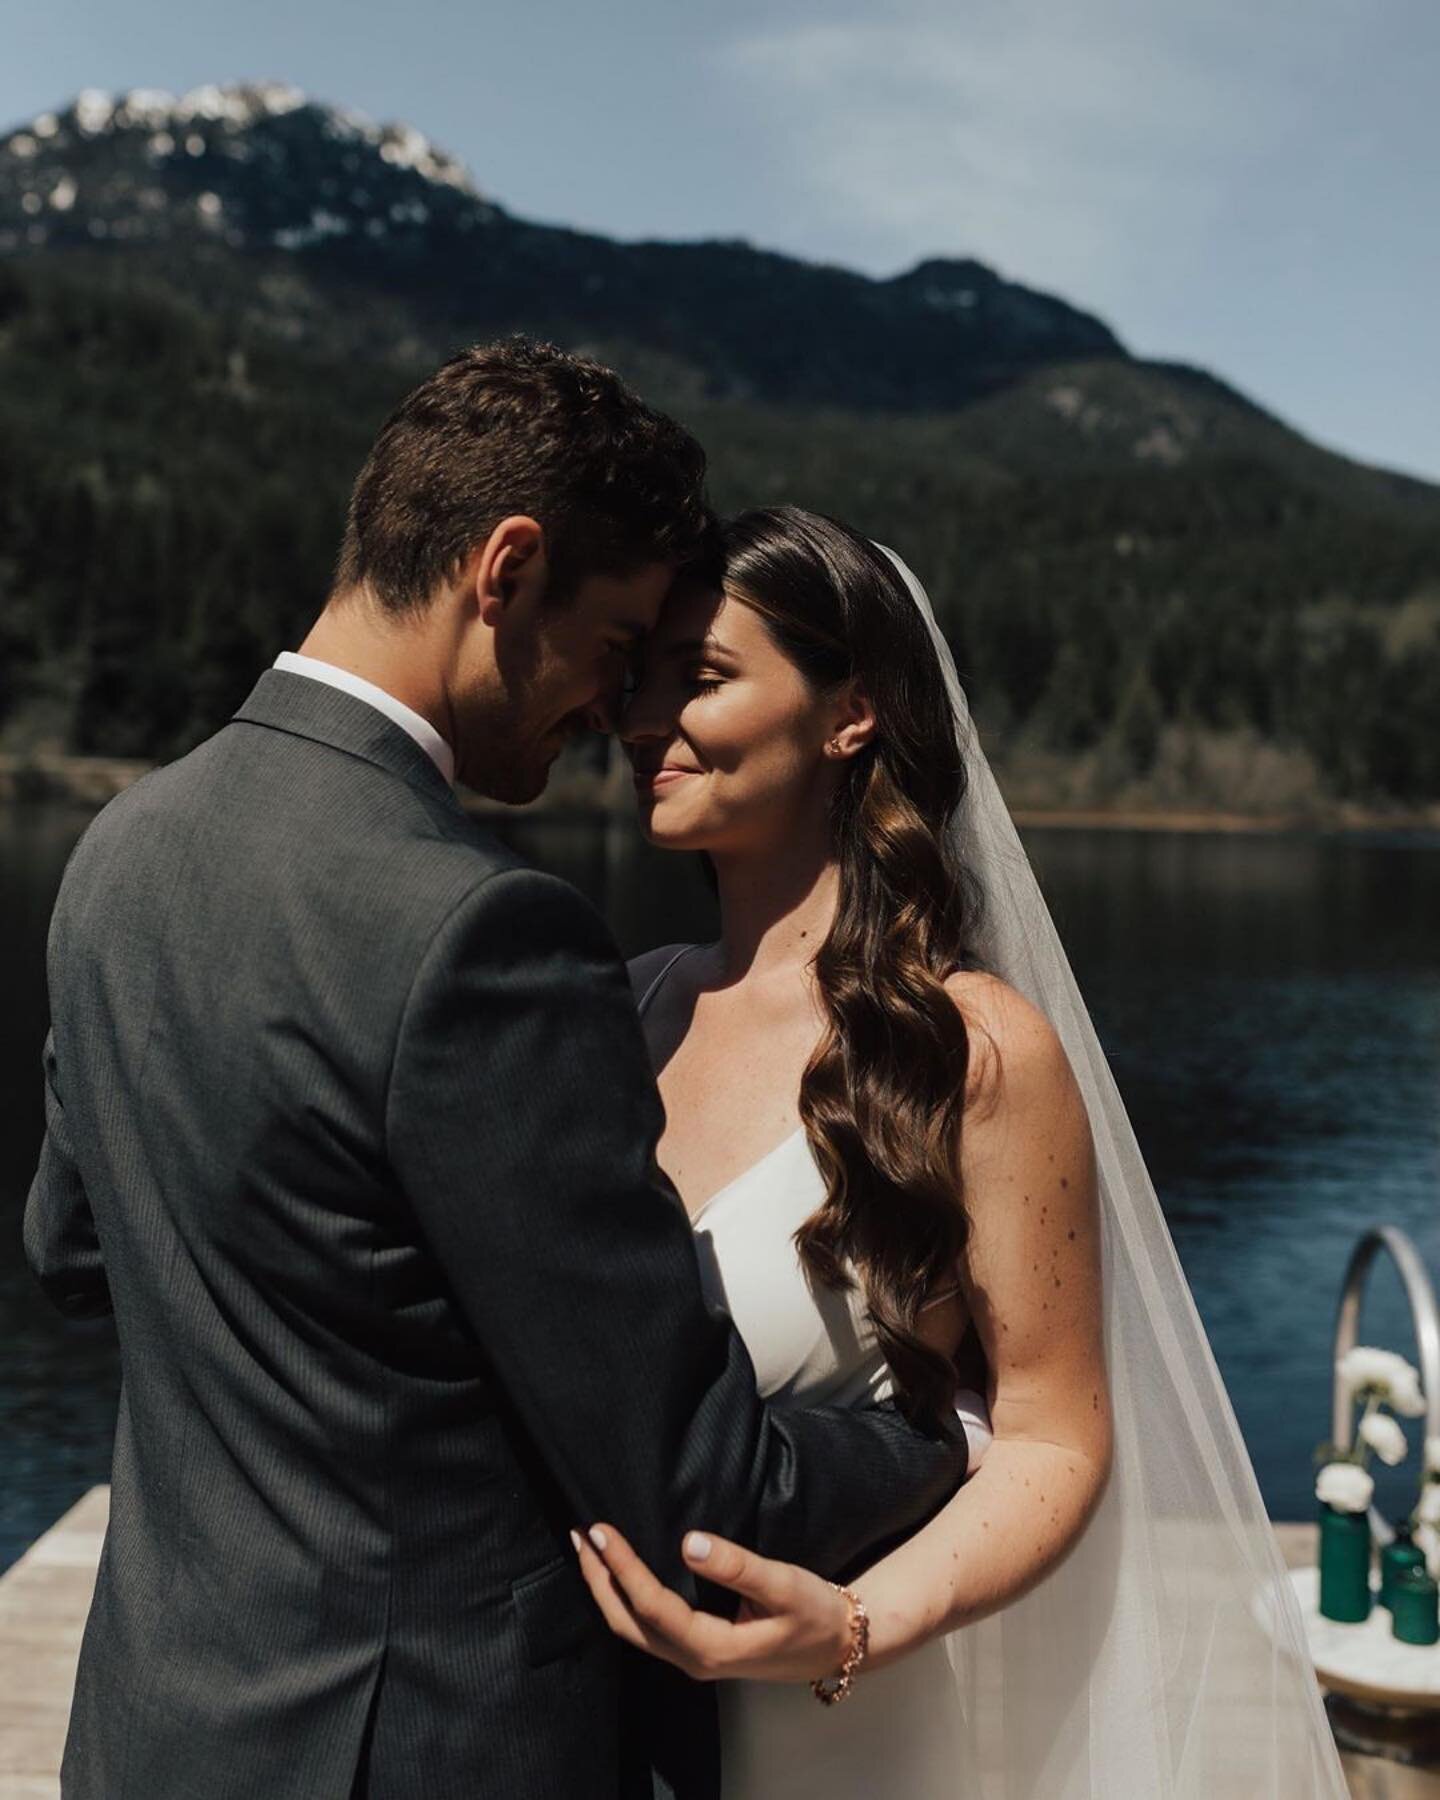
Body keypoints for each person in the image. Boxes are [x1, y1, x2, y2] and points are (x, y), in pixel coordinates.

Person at [22, 346, 972, 1800]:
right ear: (505, 573)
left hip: (158, 1725)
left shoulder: (123, 849)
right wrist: (933, 1438)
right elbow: (694, 1486)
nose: (612, 713)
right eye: (614, 646)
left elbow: (78, 1252)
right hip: (422, 1750)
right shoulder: (483, 932)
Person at [574, 507, 1350, 1797]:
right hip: (599, 1715)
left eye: (701, 677)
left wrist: (853, 1630)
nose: (645, 716)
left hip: (840, 1725)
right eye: (640, 676)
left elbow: (1055, 1438)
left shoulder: (973, 1051)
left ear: (850, 714)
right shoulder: (624, 1006)